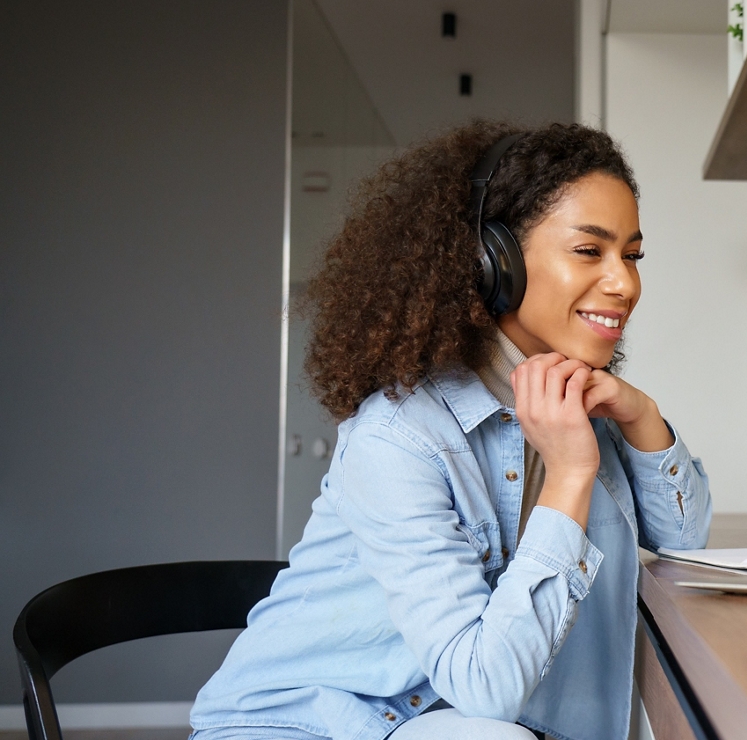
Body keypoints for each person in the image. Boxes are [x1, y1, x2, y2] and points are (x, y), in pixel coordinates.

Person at [189, 121, 713, 740]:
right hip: (310, 726)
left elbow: (683, 540)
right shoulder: (399, 435)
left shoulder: (572, 403)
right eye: (588, 250)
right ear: (495, 262)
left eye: (631, 255)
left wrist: (642, 417)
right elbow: (486, 691)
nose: (625, 283)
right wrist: (571, 475)